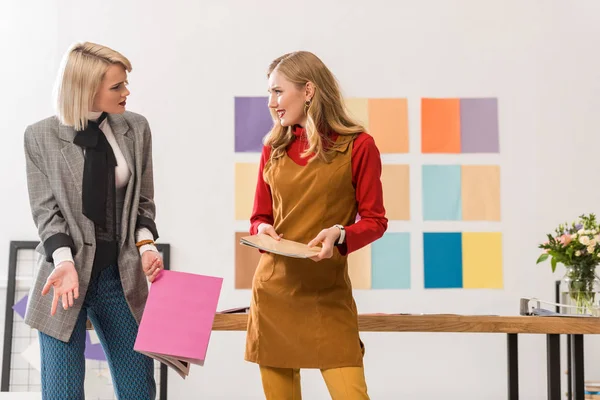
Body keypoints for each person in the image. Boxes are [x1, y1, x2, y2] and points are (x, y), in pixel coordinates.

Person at [23, 42, 163, 400]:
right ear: (86, 89)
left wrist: (146, 245)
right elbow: (46, 212)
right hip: (64, 280)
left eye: (125, 83)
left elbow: (143, 202)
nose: (127, 92)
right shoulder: (39, 136)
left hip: (120, 275)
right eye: (117, 86)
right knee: (62, 394)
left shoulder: (136, 128)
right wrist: (65, 262)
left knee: (138, 392)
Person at [245, 51, 388, 399]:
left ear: (308, 90)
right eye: (269, 93)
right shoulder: (273, 149)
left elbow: (375, 221)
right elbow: (259, 218)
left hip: (327, 295)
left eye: (278, 92)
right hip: (274, 293)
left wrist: (340, 234)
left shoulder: (359, 146)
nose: (271, 102)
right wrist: (262, 231)